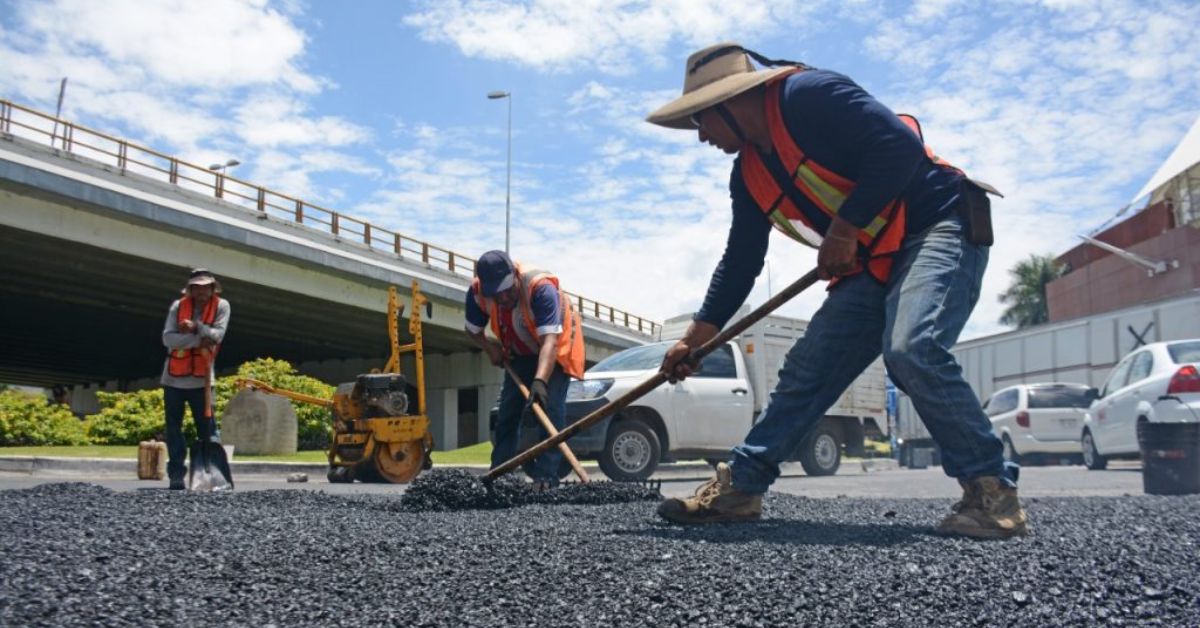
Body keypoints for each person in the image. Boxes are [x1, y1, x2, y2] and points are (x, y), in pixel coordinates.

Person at [646, 43, 1024, 538]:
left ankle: (992, 496)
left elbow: (900, 148)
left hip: (938, 223)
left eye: (702, 121)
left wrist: (844, 231)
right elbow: (740, 262)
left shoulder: (809, 96)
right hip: (875, 255)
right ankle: (742, 487)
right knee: (809, 369)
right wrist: (693, 342)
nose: (701, 137)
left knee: (913, 348)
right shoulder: (748, 176)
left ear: (730, 103)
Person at [465, 250, 585, 487]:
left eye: (508, 290)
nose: (503, 298)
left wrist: (540, 382)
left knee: (550, 409)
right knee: (508, 411)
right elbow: (472, 329)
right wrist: (491, 349)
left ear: (515, 275)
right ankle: (500, 473)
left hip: (556, 348)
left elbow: (549, 341)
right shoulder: (478, 293)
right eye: (497, 294)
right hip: (519, 350)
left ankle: (546, 477)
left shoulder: (540, 288)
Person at [160, 268, 231, 490]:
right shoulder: (177, 307)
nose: (201, 291)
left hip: (203, 381)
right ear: (190, 289)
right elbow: (168, 339)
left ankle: (214, 474)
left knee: (208, 430)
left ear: (212, 288)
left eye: (205, 287)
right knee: (174, 428)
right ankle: (176, 475)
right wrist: (198, 340)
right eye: (196, 287)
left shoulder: (222, 306)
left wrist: (197, 327)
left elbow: (217, 336)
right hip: (173, 379)